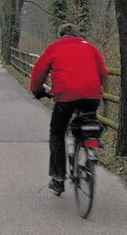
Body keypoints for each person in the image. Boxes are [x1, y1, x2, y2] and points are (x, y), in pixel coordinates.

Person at [30, 23, 107, 195]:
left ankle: (58, 178)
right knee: (87, 121)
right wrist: (94, 88)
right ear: (76, 35)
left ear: (61, 35)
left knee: (57, 131)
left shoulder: (54, 47)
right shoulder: (90, 47)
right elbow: (103, 72)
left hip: (65, 96)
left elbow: (38, 71)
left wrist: (37, 90)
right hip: (92, 95)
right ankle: (89, 147)